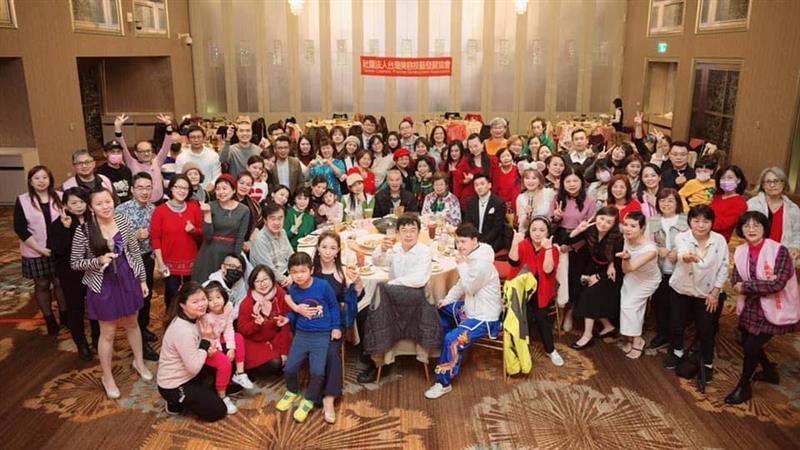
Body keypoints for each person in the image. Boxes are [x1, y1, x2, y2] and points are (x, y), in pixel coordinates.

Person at [70, 188, 152, 399]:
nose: (105, 206)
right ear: (91, 207)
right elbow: (75, 263)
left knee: (133, 323)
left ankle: (139, 362)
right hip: (102, 284)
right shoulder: (84, 231)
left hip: (127, 278)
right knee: (107, 332)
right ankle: (107, 377)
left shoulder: (123, 221)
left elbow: (134, 251)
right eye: (99, 204)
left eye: (108, 201)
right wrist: (98, 260)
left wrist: (142, 279)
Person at [726, 212, 800, 404]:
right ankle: (768, 371)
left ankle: (744, 387)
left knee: (751, 346)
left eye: (756, 225)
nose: (751, 229)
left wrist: (747, 286)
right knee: (745, 339)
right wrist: (758, 284)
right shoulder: (740, 251)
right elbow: (735, 279)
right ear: (741, 230)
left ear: (764, 228)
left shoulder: (779, 251)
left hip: (774, 307)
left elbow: (777, 284)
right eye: (747, 226)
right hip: (750, 306)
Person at [291, 231, 362, 423]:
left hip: (333, 322)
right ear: (317, 248)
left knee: (331, 351)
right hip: (309, 322)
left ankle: (328, 398)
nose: (328, 251)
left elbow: (353, 300)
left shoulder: (342, 272)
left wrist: (356, 283)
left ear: (338, 251)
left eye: (333, 248)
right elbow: (294, 293)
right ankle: (310, 391)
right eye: (324, 247)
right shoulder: (308, 270)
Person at [425, 223, 503, 399]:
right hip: (470, 308)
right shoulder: (472, 256)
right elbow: (461, 284)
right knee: (440, 309)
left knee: (452, 340)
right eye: (457, 242)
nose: (459, 246)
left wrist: (461, 265)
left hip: (484, 317)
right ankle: (448, 353)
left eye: (463, 241)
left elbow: (469, 288)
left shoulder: (482, 263)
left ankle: (443, 383)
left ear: (475, 240)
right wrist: (447, 300)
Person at [359, 214, 434, 383]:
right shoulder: (396, 248)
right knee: (362, 313)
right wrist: (382, 249)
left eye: (412, 230)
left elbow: (419, 280)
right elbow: (377, 262)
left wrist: (390, 285)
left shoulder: (424, 252)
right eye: (404, 230)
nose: (408, 234)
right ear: (398, 233)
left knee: (376, 315)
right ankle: (372, 354)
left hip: (416, 302)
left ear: (419, 232)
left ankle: (378, 365)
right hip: (393, 298)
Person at [664, 205, 729, 385]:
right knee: (676, 324)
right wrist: (687, 257)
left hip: (707, 293)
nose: (701, 225)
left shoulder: (719, 240)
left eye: (706, 221)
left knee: (706, 330)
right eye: (696, 220)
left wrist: (715, 292)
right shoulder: (682, 237)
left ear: (712, 223)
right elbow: (682, 254)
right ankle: (677, 351)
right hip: (682, 288)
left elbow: (724, 266)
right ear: (689, 221)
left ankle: (707, 364)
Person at [275, 252, 341, 423]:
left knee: (317, 372)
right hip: (302, 334)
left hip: (322, 335)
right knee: (289, 368)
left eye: (303, 271)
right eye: (294, 272)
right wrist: (287, 319)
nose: (299, 276)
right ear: (290, 273)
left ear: (311, 270)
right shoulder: (293, 290)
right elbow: (295, 312)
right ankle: (293, 391)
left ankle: (309, 399)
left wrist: (336, 327)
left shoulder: (323, 286)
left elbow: (334, 307)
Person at [157, 282, 227, 422]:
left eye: (203, 299)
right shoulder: (183, 331)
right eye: (195, 302)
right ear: (182, 305)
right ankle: (174, 402)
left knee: (220, 364)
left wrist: (206, 347)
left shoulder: (193, 318)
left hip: (188, 371)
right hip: (174, 385)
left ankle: (196, 396)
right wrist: (205, 342)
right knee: (218, 411)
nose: (202, 304)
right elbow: (194, 368)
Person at [48, 188, 98, 360]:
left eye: (82, 201)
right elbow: (59, 250)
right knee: (75, 308)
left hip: (93, 269)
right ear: (65, 205)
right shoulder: (59, 224)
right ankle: (81, 343)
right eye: (73, 203)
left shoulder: (93, 218)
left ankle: (97, 338)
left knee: (95, 305)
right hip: (71, 273)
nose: (78, 206)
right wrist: (67, 228)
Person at [15, 165, 66, 335]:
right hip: (35, 250)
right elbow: (20, 228)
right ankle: (49, 319)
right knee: (42, 284)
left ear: (50, 180)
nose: (41, 181)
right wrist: (40, 249)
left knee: (60, 283)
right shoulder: (22, 200)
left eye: (44, 177)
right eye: (36, 178)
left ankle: (65, 316)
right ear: (30, 181)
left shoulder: (60, 197)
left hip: (59, 250)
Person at [564, 207, 623, 350]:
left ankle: (587, 335)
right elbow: (567, 241)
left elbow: (618, 264)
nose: (603, 224)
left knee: (589, 295)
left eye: (608, 222)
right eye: (601, 219)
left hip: (610, 275)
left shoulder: (618, 239)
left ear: (613, 225)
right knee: (580, 289)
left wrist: (598, 276)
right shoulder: (590, 230)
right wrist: (578, 230)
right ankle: (608, 326)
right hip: (592, 269)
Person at [509, 216, 563, 366]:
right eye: (534, 229)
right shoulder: (524, 244)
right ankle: (520, 348)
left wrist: (548, 249)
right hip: (522, 289)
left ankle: (550, 350)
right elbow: (513, 262)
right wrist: (514, 242)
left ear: (548, 232)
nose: (537, 233)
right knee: (521, 317)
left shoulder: (553, 249)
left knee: (542, 318)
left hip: (542, 290)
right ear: (529, 231)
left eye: (541, 230)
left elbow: (547, 270)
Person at [116, 173, 159, 361]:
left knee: (147, 296)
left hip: (147, 259)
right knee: (135, 300)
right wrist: (134, 235)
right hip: (128, 261)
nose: (144, 192)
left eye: (148, 187)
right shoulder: (121, 210)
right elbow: (113, 240)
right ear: (132, 189)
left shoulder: (153, 209)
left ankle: (143, 326)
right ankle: (139, 340)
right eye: (140, 188)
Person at [552, 167, 598, 332]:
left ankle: (569, 313)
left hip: (579, 244)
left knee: (573, 281)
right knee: (558, 279)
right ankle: (559, 311)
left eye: (575, 181)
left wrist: (572, 246)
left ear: (582, 182)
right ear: (562, 183)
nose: (571, 184)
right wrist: (556, 218)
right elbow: (550, 225)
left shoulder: (590, 201)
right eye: (568, 181)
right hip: (559, 241)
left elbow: (591, 229)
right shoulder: (557, 199)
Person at [199, 281, 255, 415]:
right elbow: (207, 337)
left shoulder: (228, 306)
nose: (215, 302)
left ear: (224, 297)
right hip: (210, 342)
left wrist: (231, 347)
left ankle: (240, 374)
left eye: (218, 297)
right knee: (224, 362)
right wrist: (220, 349)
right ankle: (222, 396)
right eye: (210, 299)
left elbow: (229, 327)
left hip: (221, 336)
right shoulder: (206, 316)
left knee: (238, 337)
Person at [151, 175, 205, 305]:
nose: (182, 191)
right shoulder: (160, 211)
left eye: (185, 188)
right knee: (172, 297)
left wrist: (193, 230)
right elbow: (155, 238)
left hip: (192, 262)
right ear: (171, 188)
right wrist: (160, 263)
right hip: (169, 263)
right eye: (178, 187)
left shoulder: (194, 208)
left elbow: (203, 233)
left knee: (191, 297)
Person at [645, 188, 687, 350]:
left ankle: (675, 339)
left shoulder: (685, 220)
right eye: (662, 200)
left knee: (677, 307)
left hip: (680, 269)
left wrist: (678, 252)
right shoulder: (653, 221)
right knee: (660, 304)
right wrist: (657, 249)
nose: (666, 204)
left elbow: (692, 242)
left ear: (677, 203)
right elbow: (646, 242)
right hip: (659, 269)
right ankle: (662, 334)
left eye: (670, 200)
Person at [617, 212, 661, 359]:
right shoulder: (626, 238)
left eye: (633, 226)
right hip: (632, 277)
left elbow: (628, 268)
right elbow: (627, 270)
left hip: (647, 279)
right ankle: (631, 338)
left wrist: (626, 259)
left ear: (642, 228)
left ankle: (638, 340)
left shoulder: (650, 250)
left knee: (629, 306)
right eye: (626, 225)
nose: (628, 229)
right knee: (631, 307)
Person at [191, 175, 250, 282]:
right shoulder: (210, 206)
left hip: (230, 252)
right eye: (218, 189)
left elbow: (240, 237)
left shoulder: (244, 210)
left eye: (224, 188)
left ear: (233, 190)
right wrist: (207, 214)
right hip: (209, 252)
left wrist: (235, 258)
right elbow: (207, 236)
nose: (221, 192)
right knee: (204, 284)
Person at [237, 265, 293, 372]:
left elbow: (286, 323)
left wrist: (284, 351)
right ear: (252, 284)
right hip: (255, 341)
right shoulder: (247, 303)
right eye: (257, 281)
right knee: (276, 363)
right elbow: (242, 330)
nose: (262, 284)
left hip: (275, 337)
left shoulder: (281, 294)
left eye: (265, 279)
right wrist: (255, 324)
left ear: (272, 279)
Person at [113, 113, 174, 202]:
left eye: (148, 151)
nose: (146, 154)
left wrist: (168, 126)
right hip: (139, 203)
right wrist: (117, 128)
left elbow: (166, 146)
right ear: (136, 153)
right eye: (142, 151)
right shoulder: (131, 163)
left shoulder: (157, 161)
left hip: (158, 202)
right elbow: (122, 146)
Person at [747, 167, 800, 266]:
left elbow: (797, 233)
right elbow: (746, 230)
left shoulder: (793, 208)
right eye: (768, 181)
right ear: (762, 185)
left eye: (776, 181)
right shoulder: (752, 204)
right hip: (755, 255)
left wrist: (795, 247)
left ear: (783, 183)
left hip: (782, 257)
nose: (772, 185)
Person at [251, 203, 294, 287]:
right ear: (265, 221)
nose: (277, 222)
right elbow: (268, 270)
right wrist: (286, 279)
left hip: (287, 274)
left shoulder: (282, 232)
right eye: (272, 219)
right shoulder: (260, 240)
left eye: (280, 218)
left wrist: (293, 273)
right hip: (269, 280)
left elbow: (291, 255)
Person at [464, 175, 508, 253]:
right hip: (475, 237)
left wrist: (481, 242)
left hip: (493, 239)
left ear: (489, 185)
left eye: (482, 184)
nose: (479, 187)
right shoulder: (470, 202)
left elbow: (497, 228)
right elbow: (468, 223)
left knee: (480, 252)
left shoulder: (498, 203)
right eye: (476, 185)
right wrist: (473, 239)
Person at [175, 125, 221, 194]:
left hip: (209, 193)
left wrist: (211, 185)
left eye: (199, 137)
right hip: (187, 193)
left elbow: (217, 175)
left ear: (204, 138)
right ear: (188, 139)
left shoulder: (213, 155)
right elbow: (179, 177)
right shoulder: (181, 157)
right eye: (193, 137)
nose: (196, 140)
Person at [203, 253, 249, 320]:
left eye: (239, 268)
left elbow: (241, 303)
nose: (235, 270)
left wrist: (228, 318)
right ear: (223, 267)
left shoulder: (240, 282)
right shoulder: (209, 286)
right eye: (232, 266)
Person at [710, 164, 748, 242]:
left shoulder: (740, 203)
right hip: (704, 232)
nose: (725, 181)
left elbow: (723, 224)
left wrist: (702, 224)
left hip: (719, 240)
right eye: (722, 178)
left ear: (738, 180)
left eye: (730, 178)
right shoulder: (717, 197)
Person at [453, 133, 491, 209]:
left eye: (476, 146)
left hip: (487, 200)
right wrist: (465, 181)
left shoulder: (491, 160)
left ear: (482, 144)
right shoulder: (465, 162)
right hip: (469, 200)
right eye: (470, 147)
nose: (473, 149)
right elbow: (457, 182)